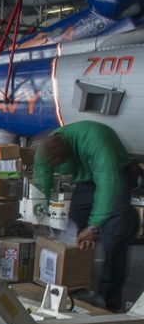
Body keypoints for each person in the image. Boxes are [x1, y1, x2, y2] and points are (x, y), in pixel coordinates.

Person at [33, 122, 138, 311]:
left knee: (114, 238)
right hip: (86, 180)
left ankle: (108, 304)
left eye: (57, 161)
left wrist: (94, 226)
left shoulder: (95, 141)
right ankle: (74, 290)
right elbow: (43, 180)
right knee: (71, 234)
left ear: (62, 149)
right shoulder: (47, 151)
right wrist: (40, 216)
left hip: (115, 177)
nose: (54, 165)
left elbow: (107, 185)